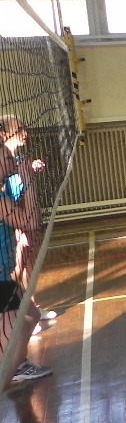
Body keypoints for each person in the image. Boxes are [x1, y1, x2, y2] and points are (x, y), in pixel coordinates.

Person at [0, 116, 50, 386]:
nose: (12, 162)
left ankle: (17, 367)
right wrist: (27, 178)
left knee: (31, 316)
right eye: (6, 158)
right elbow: (30, 220)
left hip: (4, 273)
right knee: (8, 344)